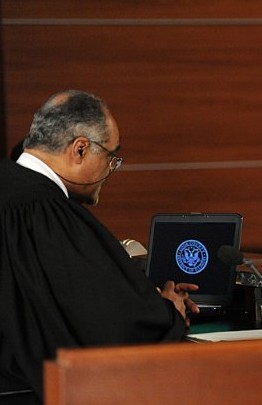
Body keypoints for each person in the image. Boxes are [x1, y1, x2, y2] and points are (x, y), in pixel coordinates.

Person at [0, 90, 199, 403]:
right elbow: (108, 322)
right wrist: (168, 311)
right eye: (110, 157)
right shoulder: (45, 212)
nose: (110, 169)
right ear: (80, 149)